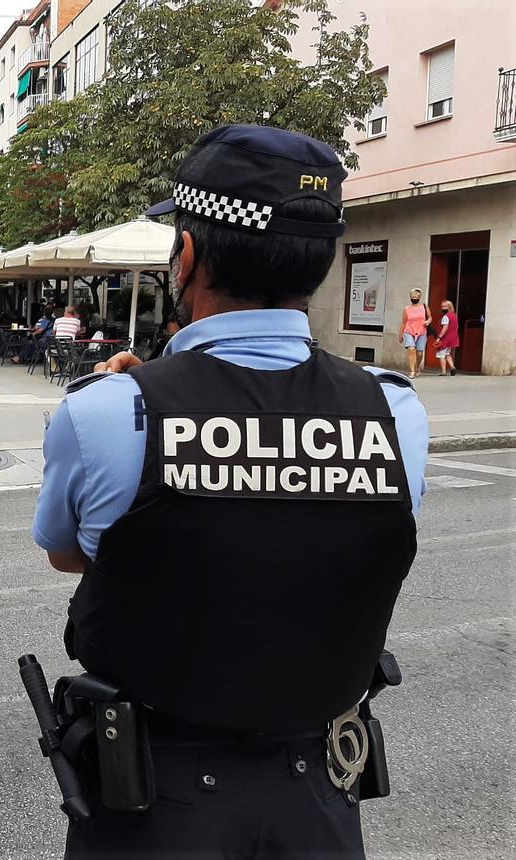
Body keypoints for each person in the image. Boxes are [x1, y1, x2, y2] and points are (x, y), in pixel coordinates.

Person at [33, 125, 429, 859]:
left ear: (187, 255)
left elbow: (70, 553)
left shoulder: (107, 413)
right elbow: (326, 538)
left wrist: (146, 394)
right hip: (318, 795)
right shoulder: (394, 412)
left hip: (154, 802)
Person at [400, 288, 431, 379]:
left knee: (420, 353)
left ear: (419, 297)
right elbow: (404, 322)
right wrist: (400, 334)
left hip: (422, 331)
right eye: (412, 296)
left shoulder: (424, 307)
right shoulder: (407, 309)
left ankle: (417, 367)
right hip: (409, 331)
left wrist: (428, 321)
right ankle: (412, 371)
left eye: (416, 296)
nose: (414, 297)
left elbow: (430, 317)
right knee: (411, 349)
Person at [434, 299, 459, 376]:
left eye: (445, 306)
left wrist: (439, 337)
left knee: (441, 354)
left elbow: (445, 328)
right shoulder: (454, 315)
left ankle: (443, 371)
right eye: (442, 306)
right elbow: (456, 327)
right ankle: (452, 368)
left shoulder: (446, 317)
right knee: (447, 354)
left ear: (449, 307)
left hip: (445, 338)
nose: (443, 308)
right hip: (452, 338)